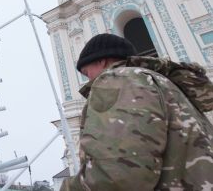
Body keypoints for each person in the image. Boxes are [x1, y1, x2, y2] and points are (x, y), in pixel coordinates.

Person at [61, 33, 213, 190]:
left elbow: (118, 174)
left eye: (87, 73)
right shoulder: (168, 87)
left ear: (102, 61)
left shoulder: (119, 80)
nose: (89, 80)